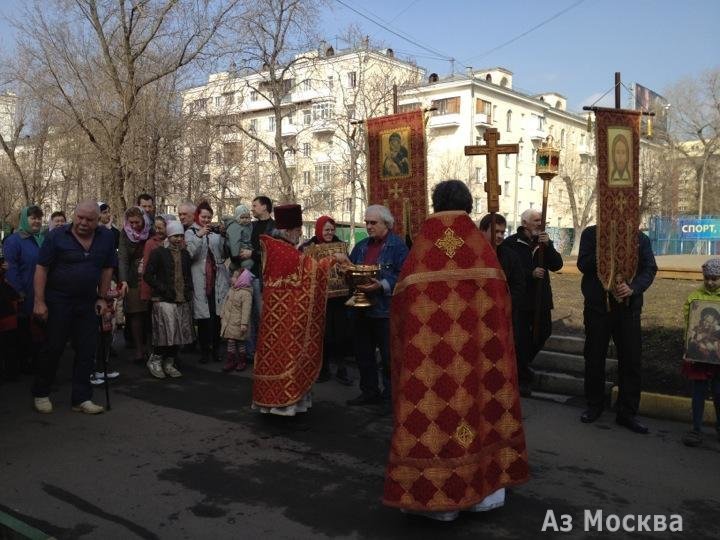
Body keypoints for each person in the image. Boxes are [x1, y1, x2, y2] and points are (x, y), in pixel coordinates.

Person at [384, 180, 529, 521]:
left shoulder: (421, 249)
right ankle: (484, 495)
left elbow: (400, 309)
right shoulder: (480, 247)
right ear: (467, 204)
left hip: (429, 363)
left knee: (438, 420)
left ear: (435, 203)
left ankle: (439, 504)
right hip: (478, 361)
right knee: (478, 417)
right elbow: (501, 308)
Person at [252, 203, 339, 416]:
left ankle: (272, 402)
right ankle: (284, 405)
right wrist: (334, 260)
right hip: (287, 319)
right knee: (287, 356)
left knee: (274, 357)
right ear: (289, 230)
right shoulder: (283, 251)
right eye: (298, 229)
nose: (300, 233)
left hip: (276, 316)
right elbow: (311, 271)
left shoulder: (273, 247)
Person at [32, 200, 116, 415]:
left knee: (87, 349)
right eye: (79, 217)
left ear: (98, 220)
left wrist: (102, 297)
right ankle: (41, 392)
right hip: (58, 299)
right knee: (54, 347)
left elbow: (107, 268)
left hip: (88, 300)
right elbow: (42, 268)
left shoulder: (106, 237)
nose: (83, 223)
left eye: (89, 219)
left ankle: (82, 398)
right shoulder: (57, 236)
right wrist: (39, 301)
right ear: (74, 215)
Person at [577, 224, 657, 433]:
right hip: (598, 307)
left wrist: (633, 288)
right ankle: (594, 406)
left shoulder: (640, 238)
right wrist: (605, 249)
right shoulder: (590, 234)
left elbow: (650, 268)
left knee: (631, 360)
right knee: (594, 357)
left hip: (628, 309)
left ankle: (627, 412)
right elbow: (583, 264)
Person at [346, 205, 409, 406]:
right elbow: (351, 269)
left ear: (386, 224)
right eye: (367, 222)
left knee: (389, 357)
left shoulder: (398, 247)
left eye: (373, 223)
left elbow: (405, 276)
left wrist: (381, 285)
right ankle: (369, 391)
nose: (368, 226)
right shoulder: (361, 245)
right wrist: (344, 266)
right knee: (364, 354)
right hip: (360, 308)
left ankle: (390, 397)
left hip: (384, 310)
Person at [501, 208, 563, 396]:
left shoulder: (544, 242)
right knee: (520, 339)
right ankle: (522, 378)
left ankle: (521, 367)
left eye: (541, 220)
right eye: (536, 220)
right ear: (524, 223)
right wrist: (530, 273)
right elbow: (508, 269)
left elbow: (557, 265)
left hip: (541, 299)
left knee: (543, 332)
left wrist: (549, 246)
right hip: (521, 299)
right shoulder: (511, 243)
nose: (539, 223)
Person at [300, 215, 353, 385]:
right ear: (319, 230)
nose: (330, 233)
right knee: (322, 333)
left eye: (332, 230)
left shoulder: (341, 246)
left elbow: (348, 267)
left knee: (340, 333)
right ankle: (322, 368)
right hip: (319, 298)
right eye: (326, 230)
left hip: (339, 297)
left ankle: (341, 367)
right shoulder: (309, 246)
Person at [479, 212, 526, 390]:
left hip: (502, 316)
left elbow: (518, 286)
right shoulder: (472, 255)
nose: (499, 236)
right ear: (483, 230)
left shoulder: (509, 256)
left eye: (502, 232)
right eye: (495, 231)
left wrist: (506, 305)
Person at [142, 220, 194, 379]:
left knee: (179, 333)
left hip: (181, 298)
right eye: (175, 236)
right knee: (164, 333)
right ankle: (155, 360)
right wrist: (162, 288)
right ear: (169, 236)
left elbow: (187, 274)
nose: (178, 239)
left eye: (180, 236)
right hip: (164, 299)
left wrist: (189, 290)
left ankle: (169, 362)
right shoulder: (159, 253)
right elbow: (148, 275)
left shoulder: (185, 254)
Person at [680, 258, 720, 447]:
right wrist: (687, 347)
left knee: (719, 393)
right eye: (707, 278)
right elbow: (688, 325)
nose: (711, 282)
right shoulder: (694, 298)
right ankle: (696, 429)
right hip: (698, 358)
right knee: (698, 393)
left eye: (715, 278)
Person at [185, 201, 230, 363]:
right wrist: (199, 235)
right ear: (198, 216)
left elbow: (225, 253)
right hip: (200, 279)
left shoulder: (215, 233)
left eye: (209, 217)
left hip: (218, 279)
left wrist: (225, 236)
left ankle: (216, 350)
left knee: (217, 316)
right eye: (203, 217)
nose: (206, 220)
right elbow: (189, 253)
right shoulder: (190, 232)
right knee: (203, 318)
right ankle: (204, 351)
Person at [4, 205, 45, 374]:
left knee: (40, 330)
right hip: (24, 293)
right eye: (32, 217)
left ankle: (38, 361)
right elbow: (11, 269)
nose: (36, 221)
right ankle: (24, 364)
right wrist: (18, 292)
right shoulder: (13, 241)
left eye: (39, 218)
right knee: (25, 331)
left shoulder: (41, 239)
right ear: (24, 219)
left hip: (42, 292)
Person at [241, 196, 275, 361]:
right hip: (248, 274)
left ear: (265, 207)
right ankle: (251, 353)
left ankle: (265, 354)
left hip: (263, 278)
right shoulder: (251, 226)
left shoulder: (274, 228)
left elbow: (274, 253)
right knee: (248, 316)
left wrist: (252, 254)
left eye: (255, 205)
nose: (252, 208)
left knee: (262, 316)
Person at [118, 206, 152, 364]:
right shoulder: (125, 233)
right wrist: (123, 279)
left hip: (151, 276)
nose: (133, 225)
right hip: (133, 277)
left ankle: (152, 349)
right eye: (130, 222)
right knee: (136, 313)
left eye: (137, 222)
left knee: (151, 314)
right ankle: (139, 349)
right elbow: (123, 258)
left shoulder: (151, 229)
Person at [220, 269, 253, 372]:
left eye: (234, 277)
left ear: (241, 279)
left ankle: (242, 361)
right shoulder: (231, 290)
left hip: (238, 323)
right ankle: (231, 360)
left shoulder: (246, 293)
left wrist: (244, 323)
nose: (231, 278)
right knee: (230, 341)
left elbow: (246, 310)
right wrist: (222, 314)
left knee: (240, 342)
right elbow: (225, 303)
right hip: (230, 322)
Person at [139, 215, 168, 303]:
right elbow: (146, 268)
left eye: (160, 228)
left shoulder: (175, 241)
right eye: (156, 228)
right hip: (155, 290)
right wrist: (145, 293)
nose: (157, 231)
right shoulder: (150, 243)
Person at [225, 204, 253, 273]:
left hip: (248, 250)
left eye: (247, 218)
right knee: (246, 264)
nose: (245, 220)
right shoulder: (235, 227)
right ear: (237, 217)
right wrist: (235, 255)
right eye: (242, 218)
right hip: (239, 252)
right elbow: (234, 242)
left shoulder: (249, 225)